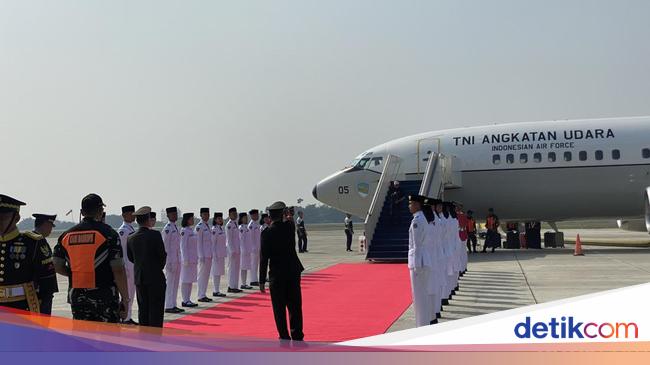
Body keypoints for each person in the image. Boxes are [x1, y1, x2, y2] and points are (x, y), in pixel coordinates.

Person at [53, 193, 129, 323]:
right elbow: (118, 270)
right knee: (108, 338)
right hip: (104, 295)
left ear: (82, 212)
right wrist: (125, 299)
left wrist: (73, 273)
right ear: (100, 211)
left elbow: (57, 265)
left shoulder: (66, 235)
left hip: (78, 296)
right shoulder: (109, 234)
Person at [0, 195, 57, 314]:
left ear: (16, 217)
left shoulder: (32, 243)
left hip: (22, 307)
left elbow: (47, 284)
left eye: (3, 217)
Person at [259, 201, 305, 341]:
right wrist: (286, 213)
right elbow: (289, 219)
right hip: (292, 271)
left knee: (279, 308)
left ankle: (284, 335)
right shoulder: (289, 227)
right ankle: (297, 334)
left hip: (277, 274)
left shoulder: (266, 233)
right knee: (295, 305)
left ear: (270, 216)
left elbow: (263, 258)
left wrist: (261, 280)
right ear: (282, 214)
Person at [127, 207, 167, 327]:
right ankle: (155, 338)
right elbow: (162, 256)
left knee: (143, 310)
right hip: (155, 277)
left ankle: (144, 337)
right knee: (156, 310)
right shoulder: (155, 235)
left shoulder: (131, 237)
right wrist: (156, 268)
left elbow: (131, 258)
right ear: (148, 219)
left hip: (140, 278)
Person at [407, 195, 433, 327]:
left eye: (411, 203)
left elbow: (416, 245)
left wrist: (416, 266)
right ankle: (423, 324)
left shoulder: (417, 221)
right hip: (424, 260)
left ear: (417, 205)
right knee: (422, 294)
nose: (409, 206)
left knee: (419, 296)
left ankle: (421, 325)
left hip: (419, 262)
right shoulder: (423, 218)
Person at [32, 213, 59, 315]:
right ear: (45, 224)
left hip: (45, 291)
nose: (51, 230)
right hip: (41, 292)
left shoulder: (41, 241)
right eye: (50, 226)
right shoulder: (35, 241)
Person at [117, 204, 137, 324]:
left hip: (132, 264)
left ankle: (128, 316)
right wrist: (124, 266)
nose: (133, 216)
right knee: (127, 293)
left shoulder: (131, 229)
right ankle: (124, 317)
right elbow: (121, 250)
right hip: (127, 265)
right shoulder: (123, 231)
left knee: (132, 292)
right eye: (130, 213)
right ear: (124, 215)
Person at [162, 207, 184, 313]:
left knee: (175, 283)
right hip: (170, 260)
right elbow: (165, 247)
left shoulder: (175, 227)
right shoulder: (167, 229)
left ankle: (173, 304)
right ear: (168, 216)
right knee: (170, 283)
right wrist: (168, 261)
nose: (175, 216)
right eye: (172, 214)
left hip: (177, 259)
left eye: (175, 214)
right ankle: (168, 305)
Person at [180, 212, 199, 307]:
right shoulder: (184, 231)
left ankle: (188, 299)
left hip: (193, 259)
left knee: (190, 280)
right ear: (187, 220)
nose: (193, 220)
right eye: (191, 219)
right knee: (185, 280)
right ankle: (185, 300)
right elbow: (183, 246)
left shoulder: (191, 231)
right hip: (187, 259)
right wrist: (185, 259)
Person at [195, 208, 213, 303]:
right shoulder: (199, 226)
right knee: (201, 275)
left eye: (208, 214)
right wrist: (200, 255)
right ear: (201, 215)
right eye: (205, 214)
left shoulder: (207, 226)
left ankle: (204, 294)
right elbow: (198, 243)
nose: (207, 216)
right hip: (203, 255)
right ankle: (200, 295)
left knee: (206, 276)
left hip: (209, 254)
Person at [225, 207, 242, 293]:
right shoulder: (229, 225)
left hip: (237, 249)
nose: (235, 215)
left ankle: (235, 286)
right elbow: (229, 239)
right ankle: (231, 286)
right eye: (233, 214)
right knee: (231, 268)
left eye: (236, 214)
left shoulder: (235, 224)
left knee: (236, 268)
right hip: (232, 250)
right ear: (229, 215)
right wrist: (231, 250)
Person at [210, 212, 227, 297]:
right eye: (218, 219)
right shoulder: (214, 229)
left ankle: (217, 289)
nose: (220, 220)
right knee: (215, 273)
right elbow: (212, 244)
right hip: (216, 254)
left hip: (221, 254)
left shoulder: (221, 228)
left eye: (221, 218)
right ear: (215, 220)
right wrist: (214, 255)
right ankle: (215, 290)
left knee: (219, 273)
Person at [238, 212, 253, 290]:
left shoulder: (246, 227)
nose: (246, 219)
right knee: (243, 267)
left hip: (247, 250)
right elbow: (241, 240)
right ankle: (243, 283)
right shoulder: (241, 228)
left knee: (246, 267)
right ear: (241, 219)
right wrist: (243, 250)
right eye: (244, 218)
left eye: (246, 217)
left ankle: (245, 283)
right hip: (243, 250)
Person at [248, 209, 261, 286]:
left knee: (256, 264)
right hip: (253, 248)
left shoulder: (256, 224)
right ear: (252, 216)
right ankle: (253, 280)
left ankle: (255, 279)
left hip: (258, 247)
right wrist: (253, 247)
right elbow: (251, 238)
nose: (257, 216)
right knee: (253, 264)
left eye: (257, 214)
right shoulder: (251, 225)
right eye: (256, 215)